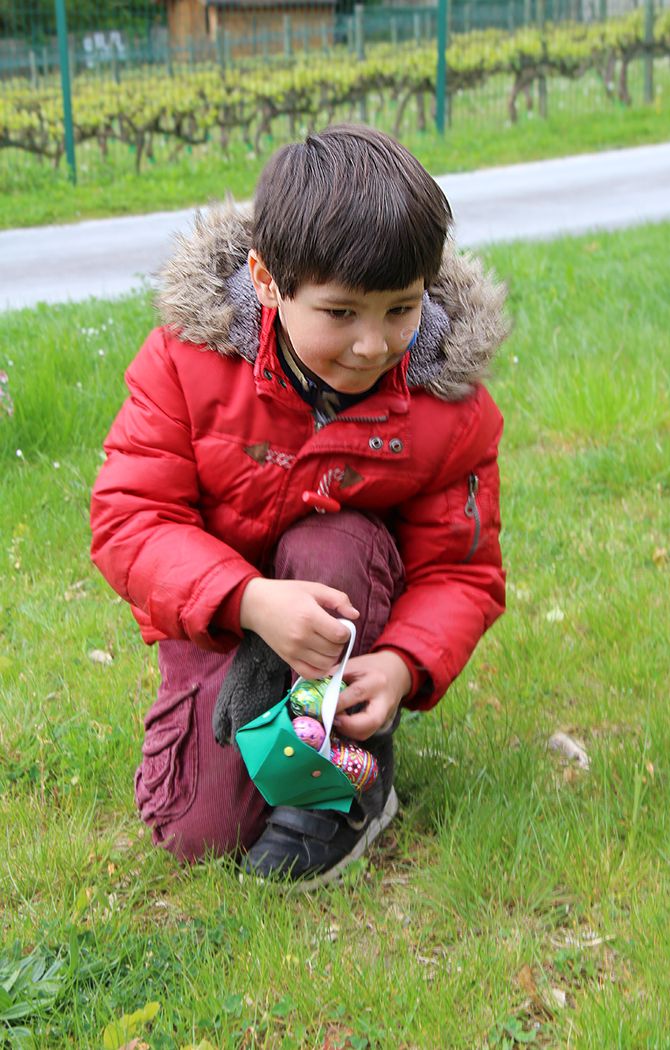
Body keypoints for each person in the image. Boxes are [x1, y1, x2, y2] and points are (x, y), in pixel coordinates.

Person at [90, 124, 508, 886]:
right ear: (266, 281)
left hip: (347, 606)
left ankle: (348, 775)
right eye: (341, 313)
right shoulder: (187, 364)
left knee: (334, 538)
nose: (374, 344)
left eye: (401, 308)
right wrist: (246, 600)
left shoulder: (447, 404)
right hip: (225, 616)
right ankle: (267, 729)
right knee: (199, 831)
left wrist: (402, 666)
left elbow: (464, 569)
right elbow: (130, 520)